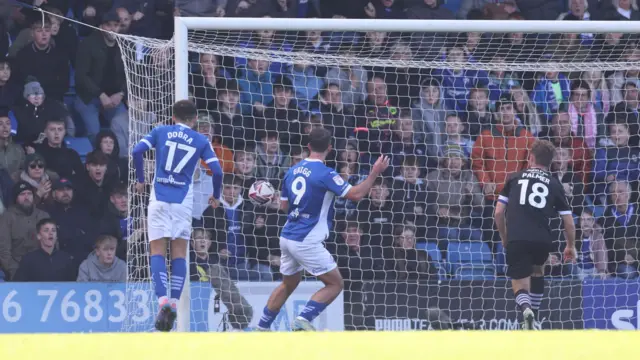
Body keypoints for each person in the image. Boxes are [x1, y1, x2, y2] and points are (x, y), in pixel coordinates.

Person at [256, 127, 389, 331]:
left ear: (308, 147)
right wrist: (374, 173)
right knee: (335, 284)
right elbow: (355, 195)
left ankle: (261, 328)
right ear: (330, 148)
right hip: (306, 239)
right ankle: (303, 319)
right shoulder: (326, 174)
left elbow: (284, 207)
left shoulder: (292, 170)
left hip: (288, 237)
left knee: (288, 284)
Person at [131, 100, 224, 332]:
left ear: (173, 117)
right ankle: (173, 301)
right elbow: (218, 171)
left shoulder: (161, 131)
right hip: (183, 201)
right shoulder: (200, 139)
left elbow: (136, 151)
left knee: (157, 251)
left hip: (160, 198)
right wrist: (216, 195)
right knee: (180, 254)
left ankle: (162, 301)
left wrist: (141, 179)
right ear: (194, 120)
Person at [494, 139, 576, 330]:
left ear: (530, 158)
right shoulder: (555, 184)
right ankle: (533, 320)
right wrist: (570, 246)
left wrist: (505, 237)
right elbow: (569, 222)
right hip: (542, 240)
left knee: (519, 284)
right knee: (538, 271)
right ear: (550, 163)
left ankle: (526, 310)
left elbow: (498, 213)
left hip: (517, 238)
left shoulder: (514, 178)